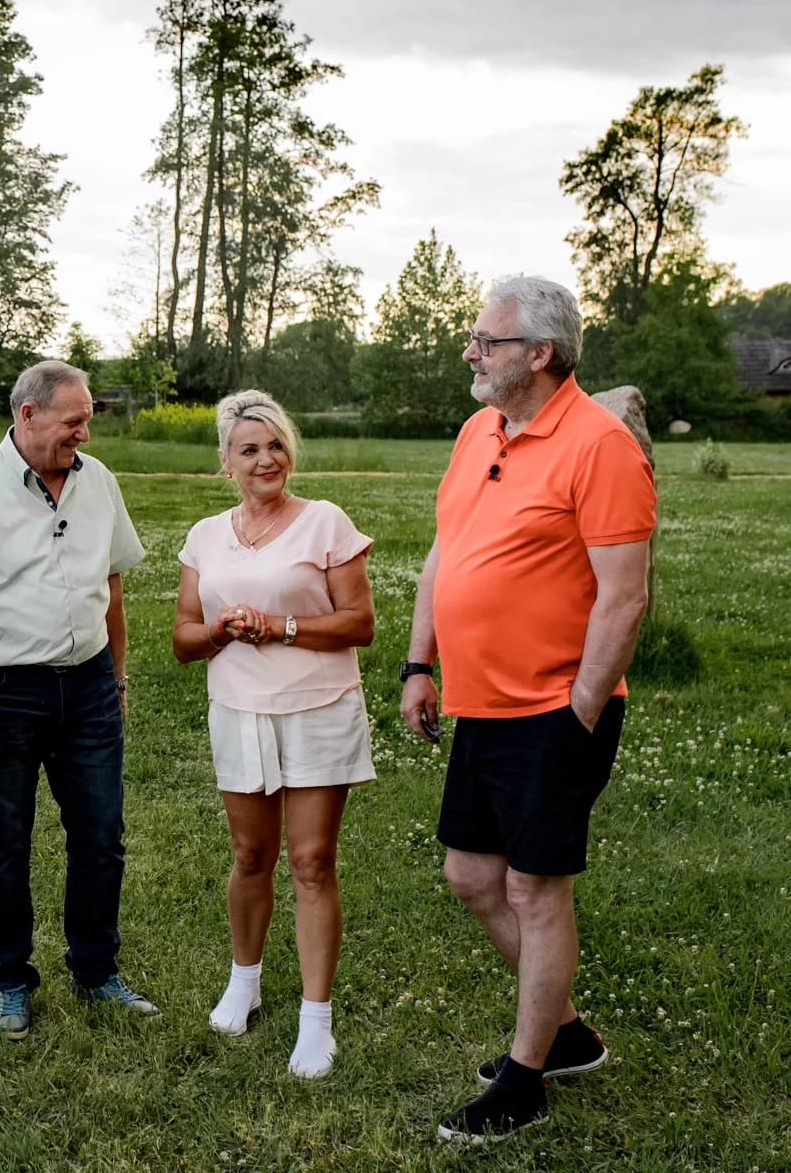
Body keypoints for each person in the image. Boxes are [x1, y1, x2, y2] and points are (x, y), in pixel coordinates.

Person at [400, 276, 655, 1143]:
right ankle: (569, 1032)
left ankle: (525, 1075)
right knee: (471, 876)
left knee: (533, 888)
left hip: (554, 708)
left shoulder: (599, 445)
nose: (470, 351)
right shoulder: (480, 430)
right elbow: (446, 553)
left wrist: (580, 710)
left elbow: (624, 597)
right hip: (481, 706)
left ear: (539, 354)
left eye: (486, 340)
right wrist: (418, 661)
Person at [0, 360, 154, 1041]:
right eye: (72, 419)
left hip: (86, 688)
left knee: (100, 839)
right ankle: (8, 980)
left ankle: (96, 971)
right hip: (5, 692)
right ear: (27, 415)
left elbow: (111, 588)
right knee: (4, 845)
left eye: (86, 420)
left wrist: (115, 677)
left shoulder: (98, 481)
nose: (83, 431)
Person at [172, 390, 376, 1079]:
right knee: (250, 854)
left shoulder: (325, 523)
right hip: (238, 709)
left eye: (277, 446)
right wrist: (219, 629)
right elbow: (182, 640)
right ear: (225, 461)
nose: (267, 459)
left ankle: (316, 1021)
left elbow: (360, 624)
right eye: (250, 449)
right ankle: (245, 980)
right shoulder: (205, 536)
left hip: (318, 706)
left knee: (313, 861)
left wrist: (280, 626)